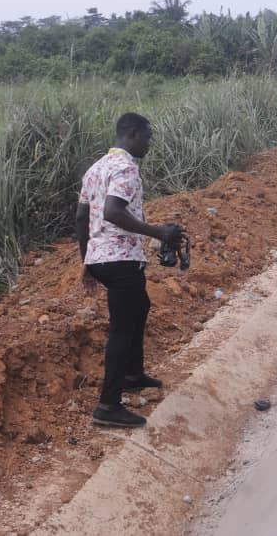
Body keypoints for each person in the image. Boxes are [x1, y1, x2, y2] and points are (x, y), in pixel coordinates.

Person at [76, 113, 181, 428]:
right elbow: (112, 211)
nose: (149, 143)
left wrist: (87, 261)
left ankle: (133, 374)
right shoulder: (126, 168)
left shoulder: (95, 168)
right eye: (147, 137)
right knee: (121, 329)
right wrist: (158, 232)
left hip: (101, 259)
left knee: (141, 306)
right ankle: (108, 406)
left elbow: (82, 217)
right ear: (133, 134)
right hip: (121, 260)